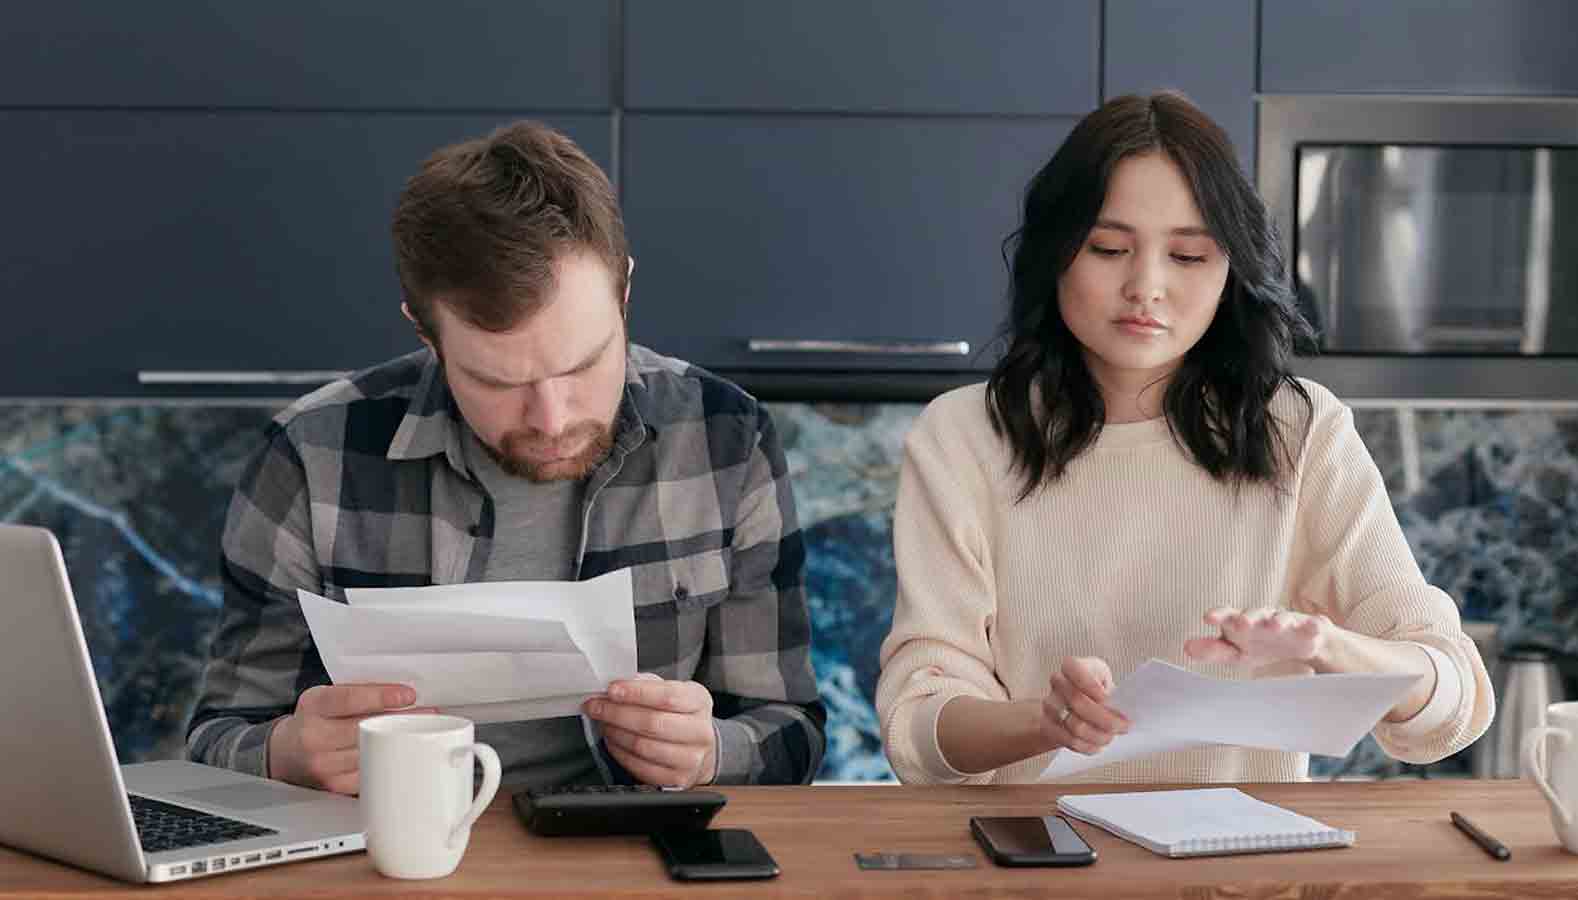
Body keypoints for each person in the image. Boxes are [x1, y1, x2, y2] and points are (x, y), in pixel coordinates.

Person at [187, 121, 824, 793]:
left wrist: (711, 752)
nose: (552, 419)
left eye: (584, 363)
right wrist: (285, 753)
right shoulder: (309, 456)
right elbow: (212, 744)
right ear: (424, 332)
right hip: (388, 866)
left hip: (638, 865)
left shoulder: (727, 439)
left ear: (625, 291)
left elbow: (793, 734)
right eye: (498, 382)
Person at [876, 92, 1493, 784]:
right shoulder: (962, 436)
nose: (1147, 286)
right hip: (1036, 868)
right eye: (1109, 248)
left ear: (1231, 271)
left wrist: (1329, 647)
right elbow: (918, 726)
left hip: (1241, 877)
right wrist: (1044, 721)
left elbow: (1453, 702)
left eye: (1189, 256)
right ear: (1056, 255)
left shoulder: (1302, 431)